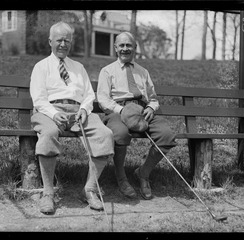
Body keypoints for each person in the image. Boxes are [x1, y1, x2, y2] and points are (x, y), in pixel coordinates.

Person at [30, 21, 114, 215]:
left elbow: (89, 95)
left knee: (105, 134)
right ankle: (48, 193)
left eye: (67, 40)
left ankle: (89, 189)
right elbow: (39, 98)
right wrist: (53, 113)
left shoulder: (78, 67)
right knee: (49, 132)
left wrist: (84, 109)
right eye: (59, 40)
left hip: (77, 112)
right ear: (50, 41)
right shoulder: (41, 66)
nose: (63, 44)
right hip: (48, 110)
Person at [97, 32, 176, 200]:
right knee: (120, 134)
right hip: (118, 110)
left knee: (167, 136)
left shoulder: (143, 72)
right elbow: (103, 99)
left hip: (142, 110)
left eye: (129, 45)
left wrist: (151, 108)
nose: (125, 49)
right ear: (115, 48)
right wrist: (121, 111)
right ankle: (121, 178)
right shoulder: (107, 71)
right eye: (122, 45)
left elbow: (153, 98)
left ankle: (143, 173)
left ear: (135, 48)